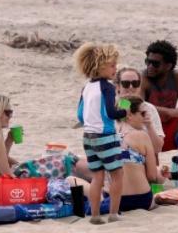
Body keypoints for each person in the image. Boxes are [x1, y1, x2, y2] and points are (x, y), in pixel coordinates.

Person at [74, 42, 127, 224]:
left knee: (97, 176)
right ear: (100, 66)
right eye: (112, 66)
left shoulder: (87, 87)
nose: (115, 69)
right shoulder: (108, 87)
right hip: (106, 136)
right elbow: (111, 113)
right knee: (117, 174)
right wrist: (124, 112)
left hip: (88, 137)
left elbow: (80, 114)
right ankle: (113, 213)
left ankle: (95, 215)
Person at [103, 95, 158, 212]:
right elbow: (152, 176)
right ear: (129, 114)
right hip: (142, 200)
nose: (146, 117)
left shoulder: (104, 133)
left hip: (114, 200)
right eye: (142, 114)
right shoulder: (142, 136)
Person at [113, 66, 164, 155]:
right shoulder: (109, 107)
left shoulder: (148, 108)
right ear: (117, 86)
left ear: (140, 86)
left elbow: (157, 149)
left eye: (135, 83)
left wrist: (149, 127)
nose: (131, 87)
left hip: (143, 157)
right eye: (126, 83)